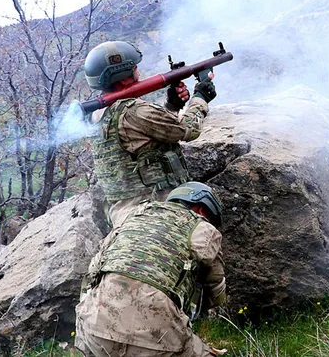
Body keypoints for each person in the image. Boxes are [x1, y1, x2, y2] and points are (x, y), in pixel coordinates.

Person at [76, 181, 228, 357]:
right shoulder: (204, 229)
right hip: (157, 341)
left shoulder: (134, 215)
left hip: (93, 331)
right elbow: (215, 294)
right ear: (202, 210)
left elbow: (93, 271)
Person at [83, 40, 218, 228]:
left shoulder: (96, 115)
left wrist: (172, 106)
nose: (138, 73)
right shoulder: (133, 110)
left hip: (124, 213)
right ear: (123, 76)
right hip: (156, 209)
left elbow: (145, 136)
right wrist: (201, 97)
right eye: (134, 68)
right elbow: (188, 130)